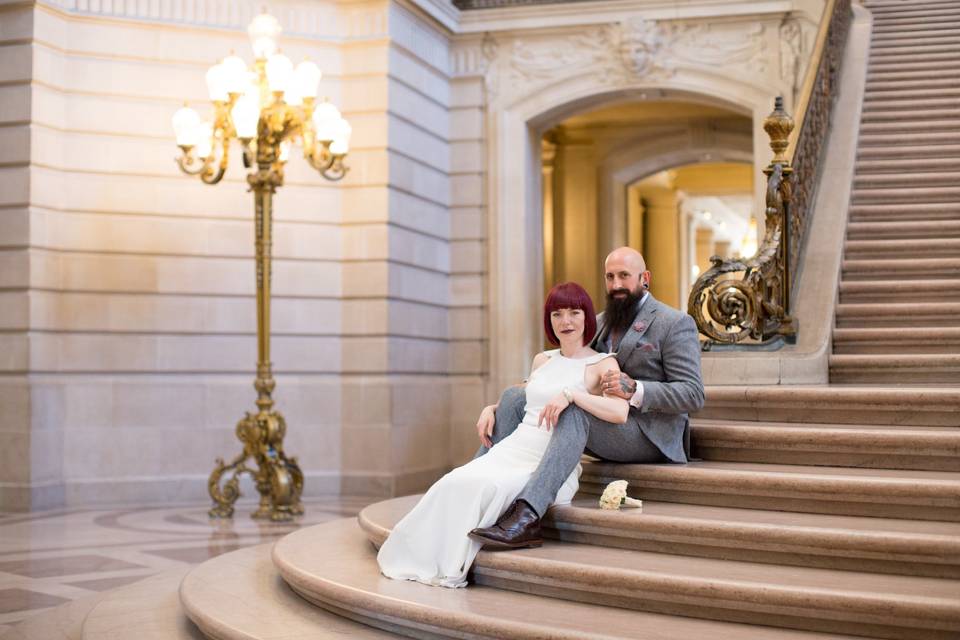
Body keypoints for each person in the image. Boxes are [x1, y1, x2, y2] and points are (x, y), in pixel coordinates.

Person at [377, 282, 628, 587]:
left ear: (587, 317)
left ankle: (512, 525)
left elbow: (620, 412)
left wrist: (572, 395)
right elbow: (525, 396)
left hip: (549, 460)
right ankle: (419, 554)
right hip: (516, 446)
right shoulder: (543, 359)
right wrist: (491, 408)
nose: (566, 322)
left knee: (490, 487)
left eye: (574, 313)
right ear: (549, 321)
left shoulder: (602, 363)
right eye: (557, 314)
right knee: (454, 481)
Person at [469, 247, 704, 549]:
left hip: (648, 433)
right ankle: (474, 481)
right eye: (610, 277)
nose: (616, 284)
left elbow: (693, 394)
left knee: (575, 408)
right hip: (603, 418)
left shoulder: (674, 323)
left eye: (624, 276)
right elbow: (558, 372)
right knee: (515, 396)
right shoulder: (599, 321)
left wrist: (636, 389)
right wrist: (495, 407)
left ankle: (527, 517)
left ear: (645, 278)